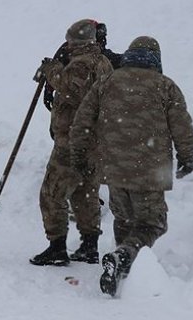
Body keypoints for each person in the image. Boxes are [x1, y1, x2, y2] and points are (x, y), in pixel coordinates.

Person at [70, 36, 193, 296]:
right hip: (149, 172)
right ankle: (124, 258)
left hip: (114, 170)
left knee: (125, 221)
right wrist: (187, 157)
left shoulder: (107, 82)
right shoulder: (165, 86)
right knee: (152, 223)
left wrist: (80, 153)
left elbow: (82, 120)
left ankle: (121, 271)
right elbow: (181, 126)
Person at [29, 19, 114, 266]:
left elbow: (70, 88)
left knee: (52, 192)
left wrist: (52, 71)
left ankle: (56, 247)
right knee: (84, 192)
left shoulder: (83, 64)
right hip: (94, 141)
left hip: (73, 142)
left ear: (76, 41)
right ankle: (89, 246)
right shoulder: (103, 62)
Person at [43, 21, 121, 111]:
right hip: (73, 110)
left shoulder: (102, 56)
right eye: (100, 35)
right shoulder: (70, 51)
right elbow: (58, 72)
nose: (104, 39)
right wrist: (48, 90)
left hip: (77, 111)